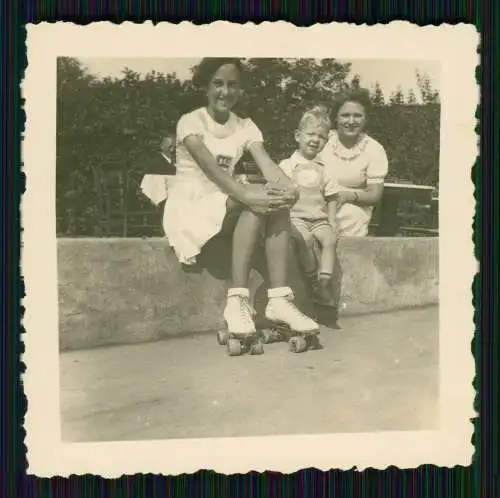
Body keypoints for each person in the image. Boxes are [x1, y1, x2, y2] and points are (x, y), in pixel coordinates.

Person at [162, 57, 320, 341]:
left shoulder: (245, 125)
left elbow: (268, 165)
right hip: (192, 204)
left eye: (233, 85)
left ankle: (277, 300)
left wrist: (289, 189)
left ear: (241, 89)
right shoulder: (191, 122)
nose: (225, 92)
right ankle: (237, 301)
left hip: (227, 199)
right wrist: (249, 194)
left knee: (275, 199)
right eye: (218, 84)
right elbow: (212, 171)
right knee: (258, 200)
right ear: (206, 87)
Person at [279, 108, 340, 305]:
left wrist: (331, 221)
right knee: (305, 239)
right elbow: (279, 191)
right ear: (298, 136)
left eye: (321, 136)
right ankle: (313, 280)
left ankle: (325, 281)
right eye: (311, 134)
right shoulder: (288, 165)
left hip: (318, 218)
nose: (315, 140)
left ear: (327, 141)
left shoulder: (325, 168)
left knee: (329, 240)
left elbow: (331, 196)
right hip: (295, 218)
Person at [318, 88, 389, 237]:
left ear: (365, 119)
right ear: (336, 118)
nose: (351, 121)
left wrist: (344, 196)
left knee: (349, 218)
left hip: (354, 205)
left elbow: (375, 195)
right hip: (318, 200)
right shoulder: (322, 141)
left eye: (357, 116)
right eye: (345, 115)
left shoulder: (374, 149)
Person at [139, 132, 177, 211]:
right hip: (162, 200)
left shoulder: (177, 161)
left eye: (175, 147)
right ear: (162, 147)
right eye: (170, 147)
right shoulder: (156, 162)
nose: (172, 150)